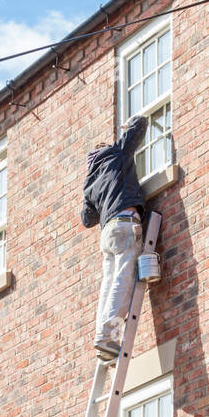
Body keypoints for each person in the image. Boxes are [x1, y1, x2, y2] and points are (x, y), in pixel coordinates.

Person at [81, 114, 149, 359]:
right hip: (124, 223)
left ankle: (103, 334)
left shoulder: (90, 182)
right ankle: (109, 335)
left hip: (107, 233)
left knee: (108, 283)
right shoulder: (116, 154)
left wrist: (99, 196)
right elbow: (140, 125)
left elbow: (87, 219)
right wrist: (127, 124)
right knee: (122, 278)